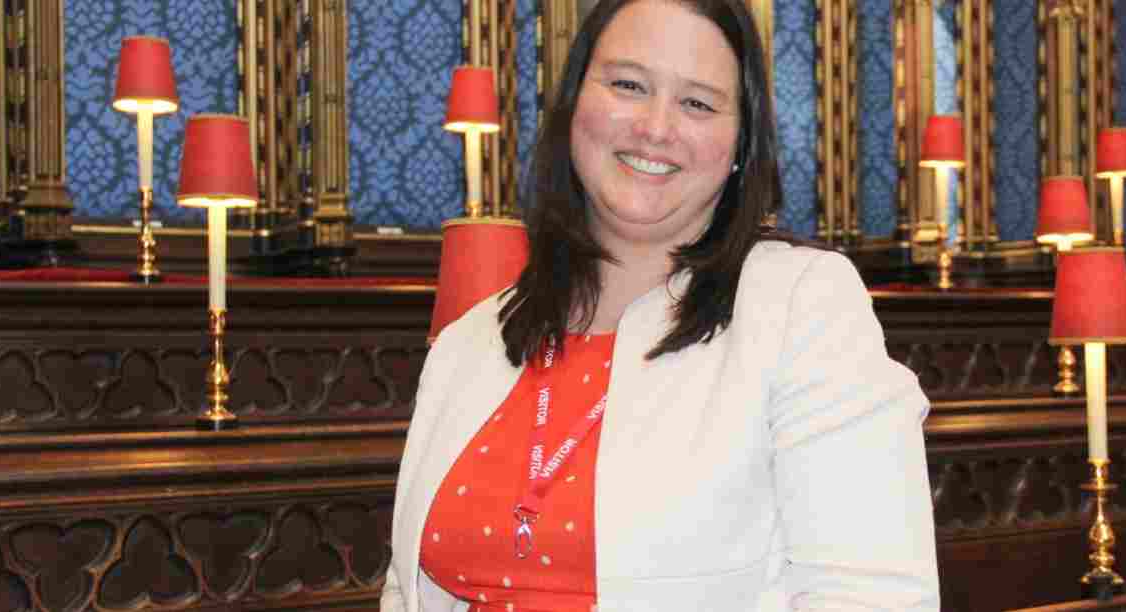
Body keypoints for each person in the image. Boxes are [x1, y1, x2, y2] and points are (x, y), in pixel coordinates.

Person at [381, 0, 939, 610]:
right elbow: (406, 590)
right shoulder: (471, 339)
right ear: (573, 107)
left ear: (739, 144)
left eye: (697, 102)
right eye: (628, 84)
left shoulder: (802, 305)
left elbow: (870, 596)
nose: (655, 126)